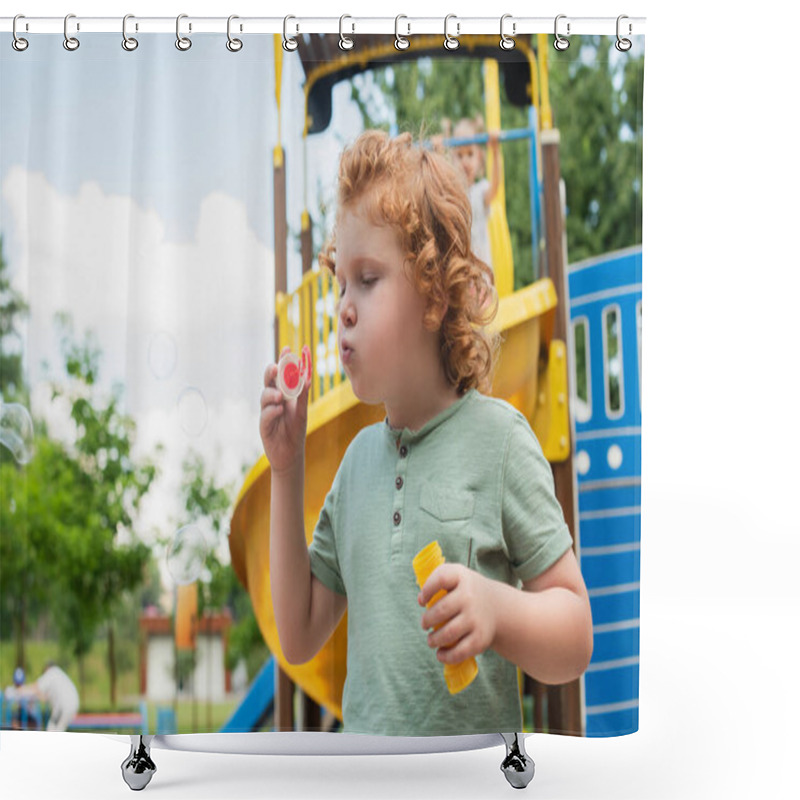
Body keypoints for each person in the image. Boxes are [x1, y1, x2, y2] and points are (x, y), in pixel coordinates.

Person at [259, 129, 592, 737]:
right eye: (340, 285)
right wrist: (287, 469)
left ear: (434, 297)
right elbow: (300, 632)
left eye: (367, 278)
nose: (344, 308)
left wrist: (498, 609)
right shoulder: (356, 466)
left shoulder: (500, 442)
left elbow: (575, 637)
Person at [450, 115, 501, 272]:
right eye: (459, 155)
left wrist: (495, 151)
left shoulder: (481, 190)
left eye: (470, 154)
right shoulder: (452, 193)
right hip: (462, 272)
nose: (465, 162)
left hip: (482, 271)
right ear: (452, 159)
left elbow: (495, 187)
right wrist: (438, 151)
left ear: (479, 157)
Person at [13, 662, 79, 732]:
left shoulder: (51, 673)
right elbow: (44, 697)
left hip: (63, 707)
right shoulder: (59, 674)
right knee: (56, 729)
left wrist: (20, 690)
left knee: (52, 730)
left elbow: (36, 687)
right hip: (73, 704)